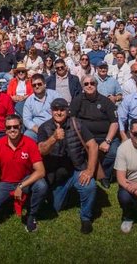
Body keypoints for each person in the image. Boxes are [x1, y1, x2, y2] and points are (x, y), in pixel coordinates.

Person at [36, 98, 99, 234]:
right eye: (55, 109)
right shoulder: (44, 127)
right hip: (55, 176)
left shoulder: (77, 124)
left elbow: (93, 145)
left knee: (90, 185)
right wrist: (53, 138)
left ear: (67, 110)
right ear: (51, 111)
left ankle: (86, 217)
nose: (59, 112)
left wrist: (90, 170)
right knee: (56, 207)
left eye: (62, 109)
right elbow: (41, 150)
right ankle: (65, 195)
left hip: (75, 171)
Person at [0, 113, 47, 232]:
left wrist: (21, 186)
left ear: (21, 127)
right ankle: (9, 202)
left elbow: (41, 171)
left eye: (15, 127)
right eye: (9, 127)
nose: (12, 130)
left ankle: (31, 215)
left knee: (41, 185)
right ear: (5, 130)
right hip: (5, 182)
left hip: (25, 181)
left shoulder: (30, 143)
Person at [70, 72, 120, 186]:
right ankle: (90, 171)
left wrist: (107, 141)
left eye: (92, 83)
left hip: (105, 136)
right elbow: (71, 119)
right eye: (86, 84)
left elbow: (114, 123)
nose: (89, 86)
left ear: (96, 85)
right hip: (85, 137)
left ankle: (105, 175)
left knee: (113, 152)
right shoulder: (77, 101)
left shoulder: (106, 101)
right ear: (82, 87)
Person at [21, 73, 59, 141]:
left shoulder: (54, 95)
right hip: (37, 129)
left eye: (39, 84)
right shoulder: (29, 101)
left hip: (55, 126)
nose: (37, 86)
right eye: (34, 85)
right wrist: (38, 129)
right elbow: (26, 119)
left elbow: (61, 110)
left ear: (44, 84)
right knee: (27, 136)